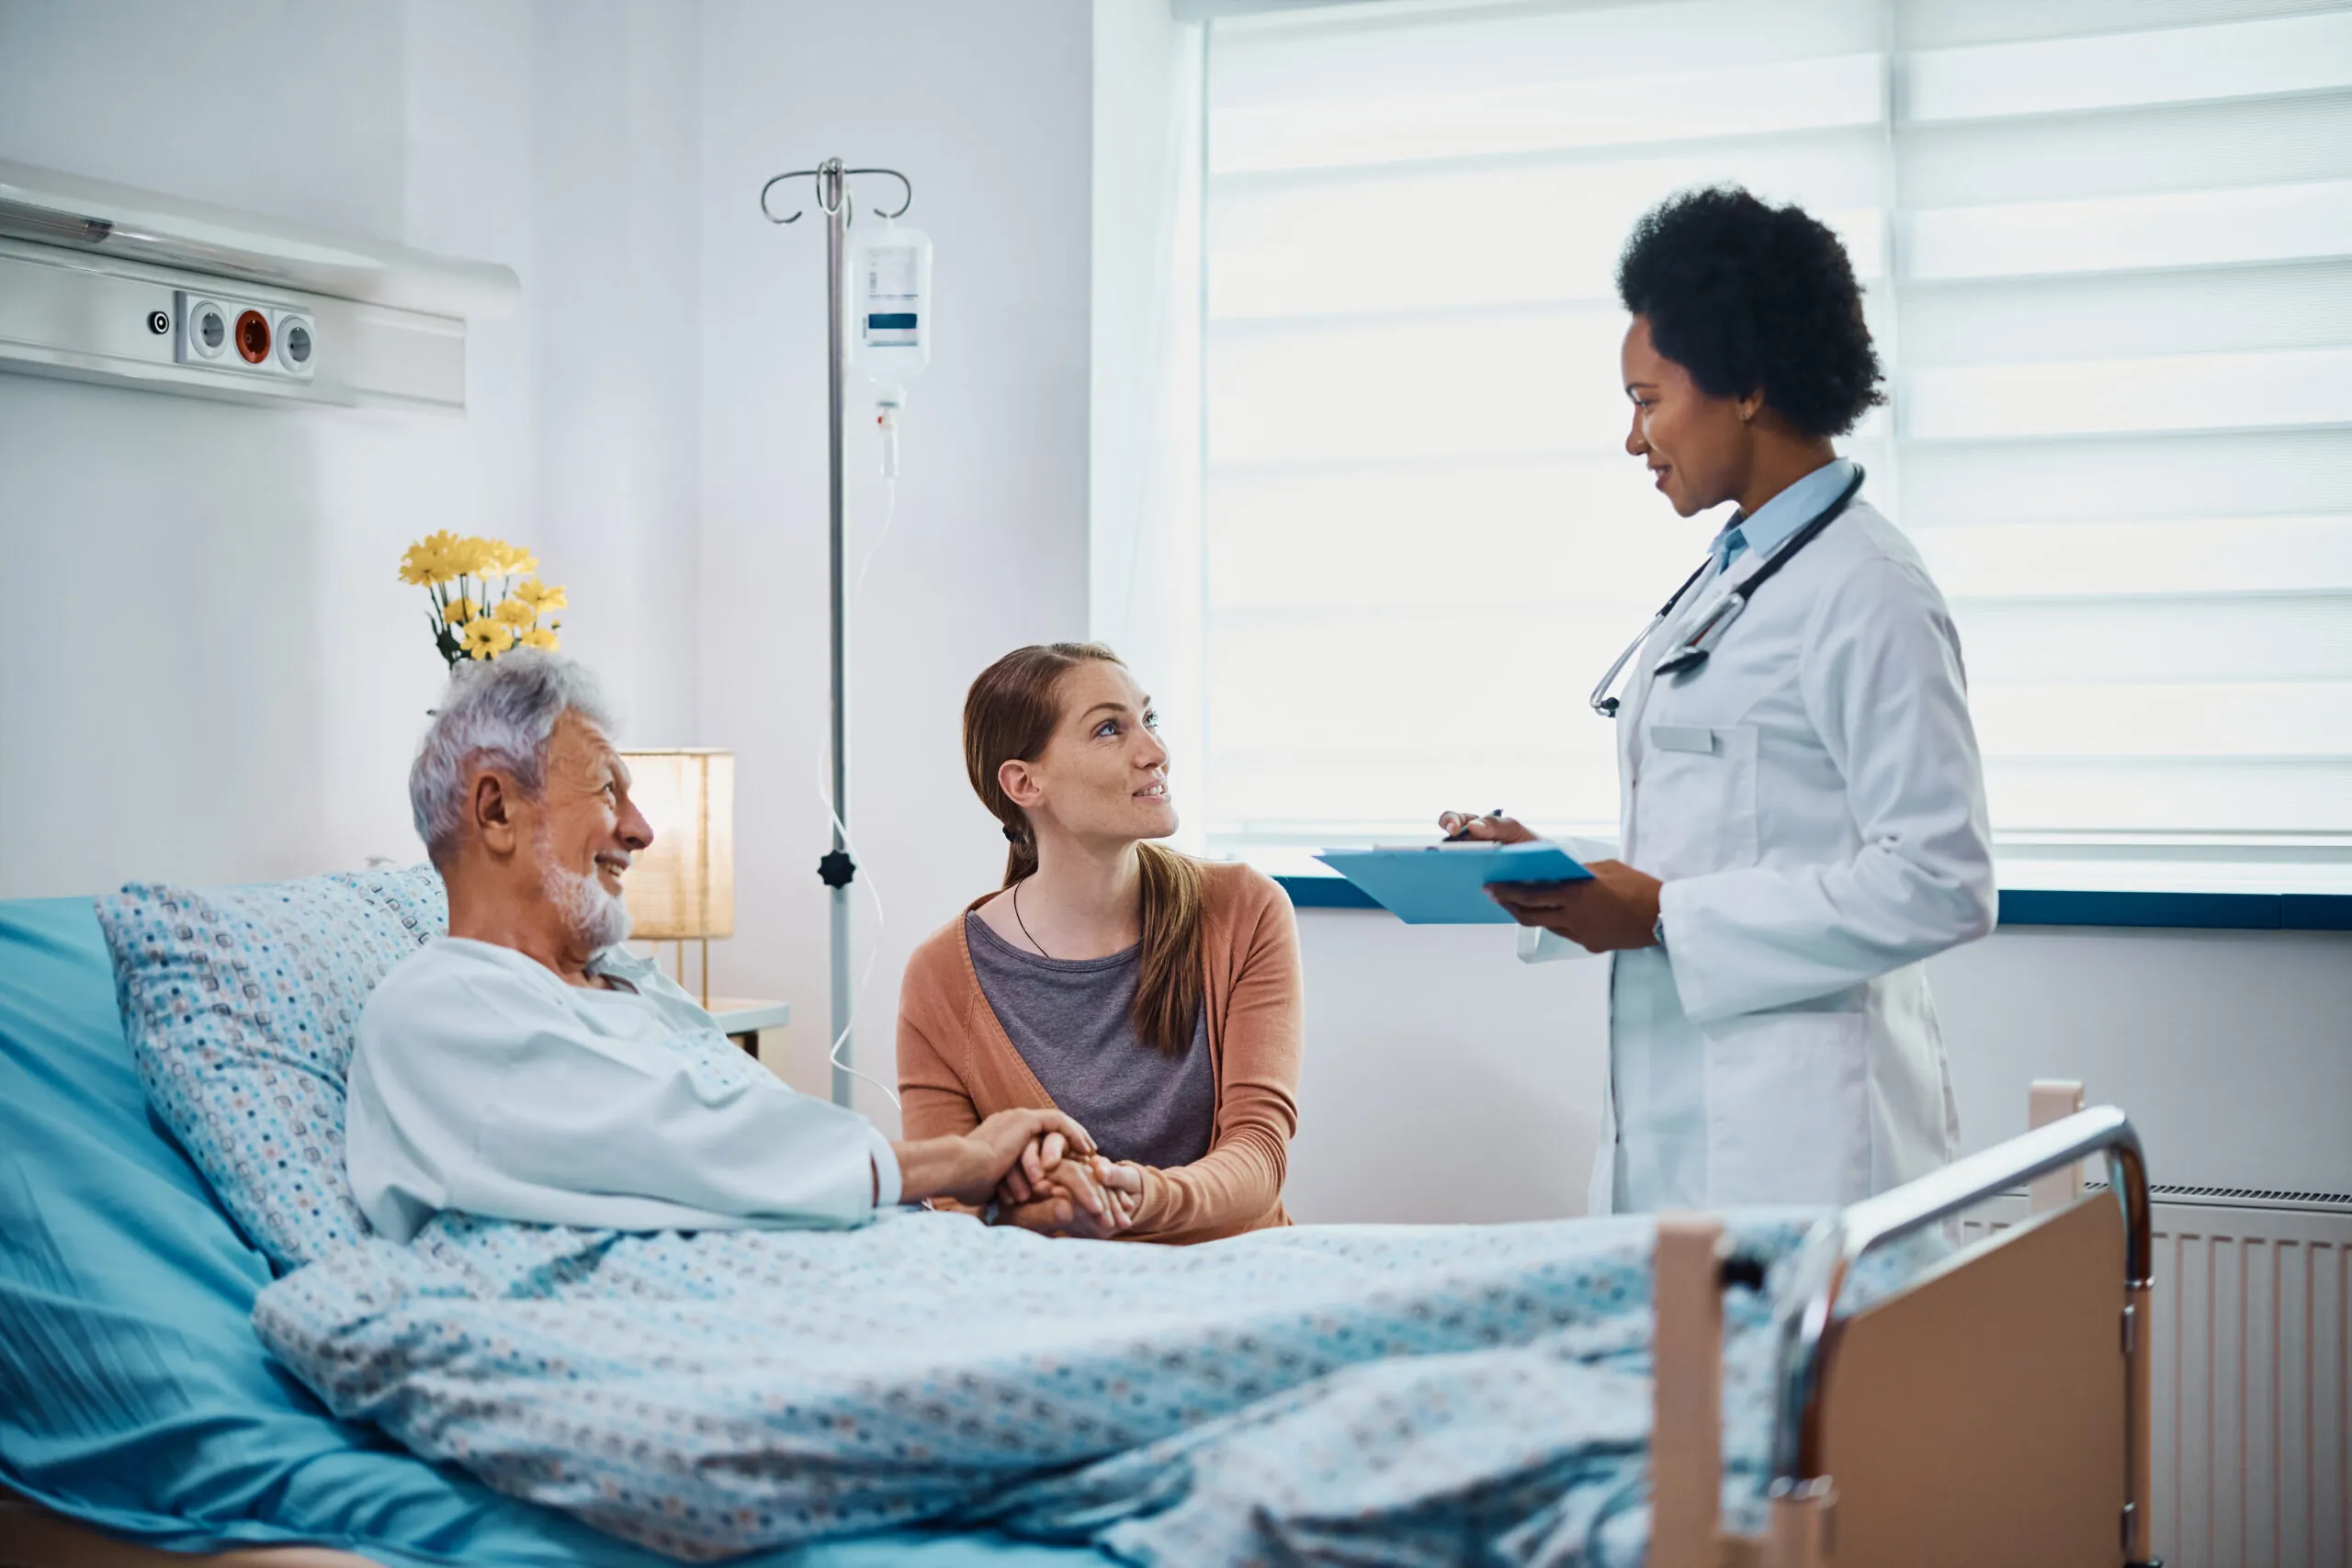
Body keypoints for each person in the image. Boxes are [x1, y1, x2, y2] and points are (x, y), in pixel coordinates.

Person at [1447, 186, 1996, 1214]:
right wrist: (1557, 876)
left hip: (1808, 1142)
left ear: (1745, 382)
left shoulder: (1866, 588)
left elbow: (1941, 881)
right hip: (1688, 1118)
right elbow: (1733, 833)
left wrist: (1662, 913)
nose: (1632, 439)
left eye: (1646, 400)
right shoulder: (1741, 571)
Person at [347, 649, 1110, 1243]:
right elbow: (669, 1149)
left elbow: (768, 1139)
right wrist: (961, 1160)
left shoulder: (639, 989)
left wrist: (996, 1202)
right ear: (496, 808)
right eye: (609, 789)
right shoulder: (442, 1005)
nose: (642, 829)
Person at [896, 643, 1304, 1244]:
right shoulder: (940, 976)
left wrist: (1129, 1197)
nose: (1156, 752)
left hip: (1239, 1272)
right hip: (1055, 1299)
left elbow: (1260, 1155)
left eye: (1150, 720)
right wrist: (1059, 1209)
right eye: (1110, 729)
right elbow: (957, 1202)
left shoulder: (1244, 910)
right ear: (1024, 782)